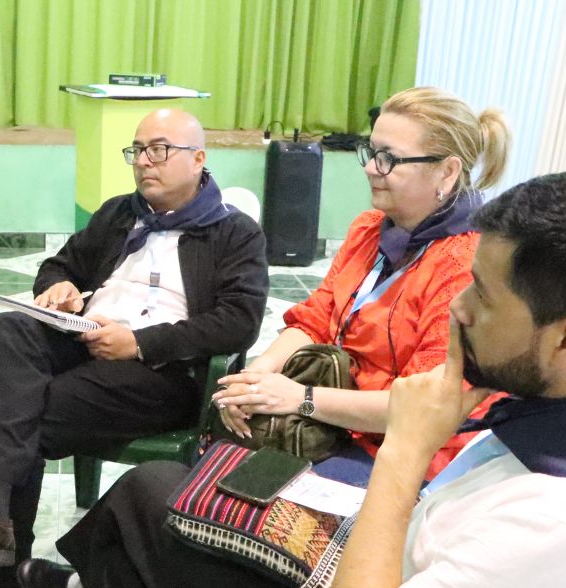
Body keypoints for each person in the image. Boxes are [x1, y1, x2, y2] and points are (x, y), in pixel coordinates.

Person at [22, 171, 566, 588]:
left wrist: (405, 446)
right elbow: (317, 319)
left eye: (486, 298)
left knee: (146, 505)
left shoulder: (559, 526)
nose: (460, 308)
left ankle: (78, 586)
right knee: (140, 547)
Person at [0, 108, 270, 588]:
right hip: (86, 342)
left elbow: (238, 321)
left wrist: (140, 343)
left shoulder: (234, 233)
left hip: (159, 373)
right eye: (137, 150)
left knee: (20, 416)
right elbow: (60, 265)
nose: (144, 162)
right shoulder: (120, 213)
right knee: (9, 330)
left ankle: (0, 586)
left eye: (159, 149)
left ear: (198, 159)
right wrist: (58, 289)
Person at [214, 86, 511, 488]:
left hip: (407, 453)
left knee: (242, 499)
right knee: (206, 476)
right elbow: (316, 320)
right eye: (371, 152)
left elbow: (424, 406)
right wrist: (257, 377)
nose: (371, 168)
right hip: (336, 425)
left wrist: (300, 398)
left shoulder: (466, 268)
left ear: (447, 171)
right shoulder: (370, 230)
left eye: (389, 158)